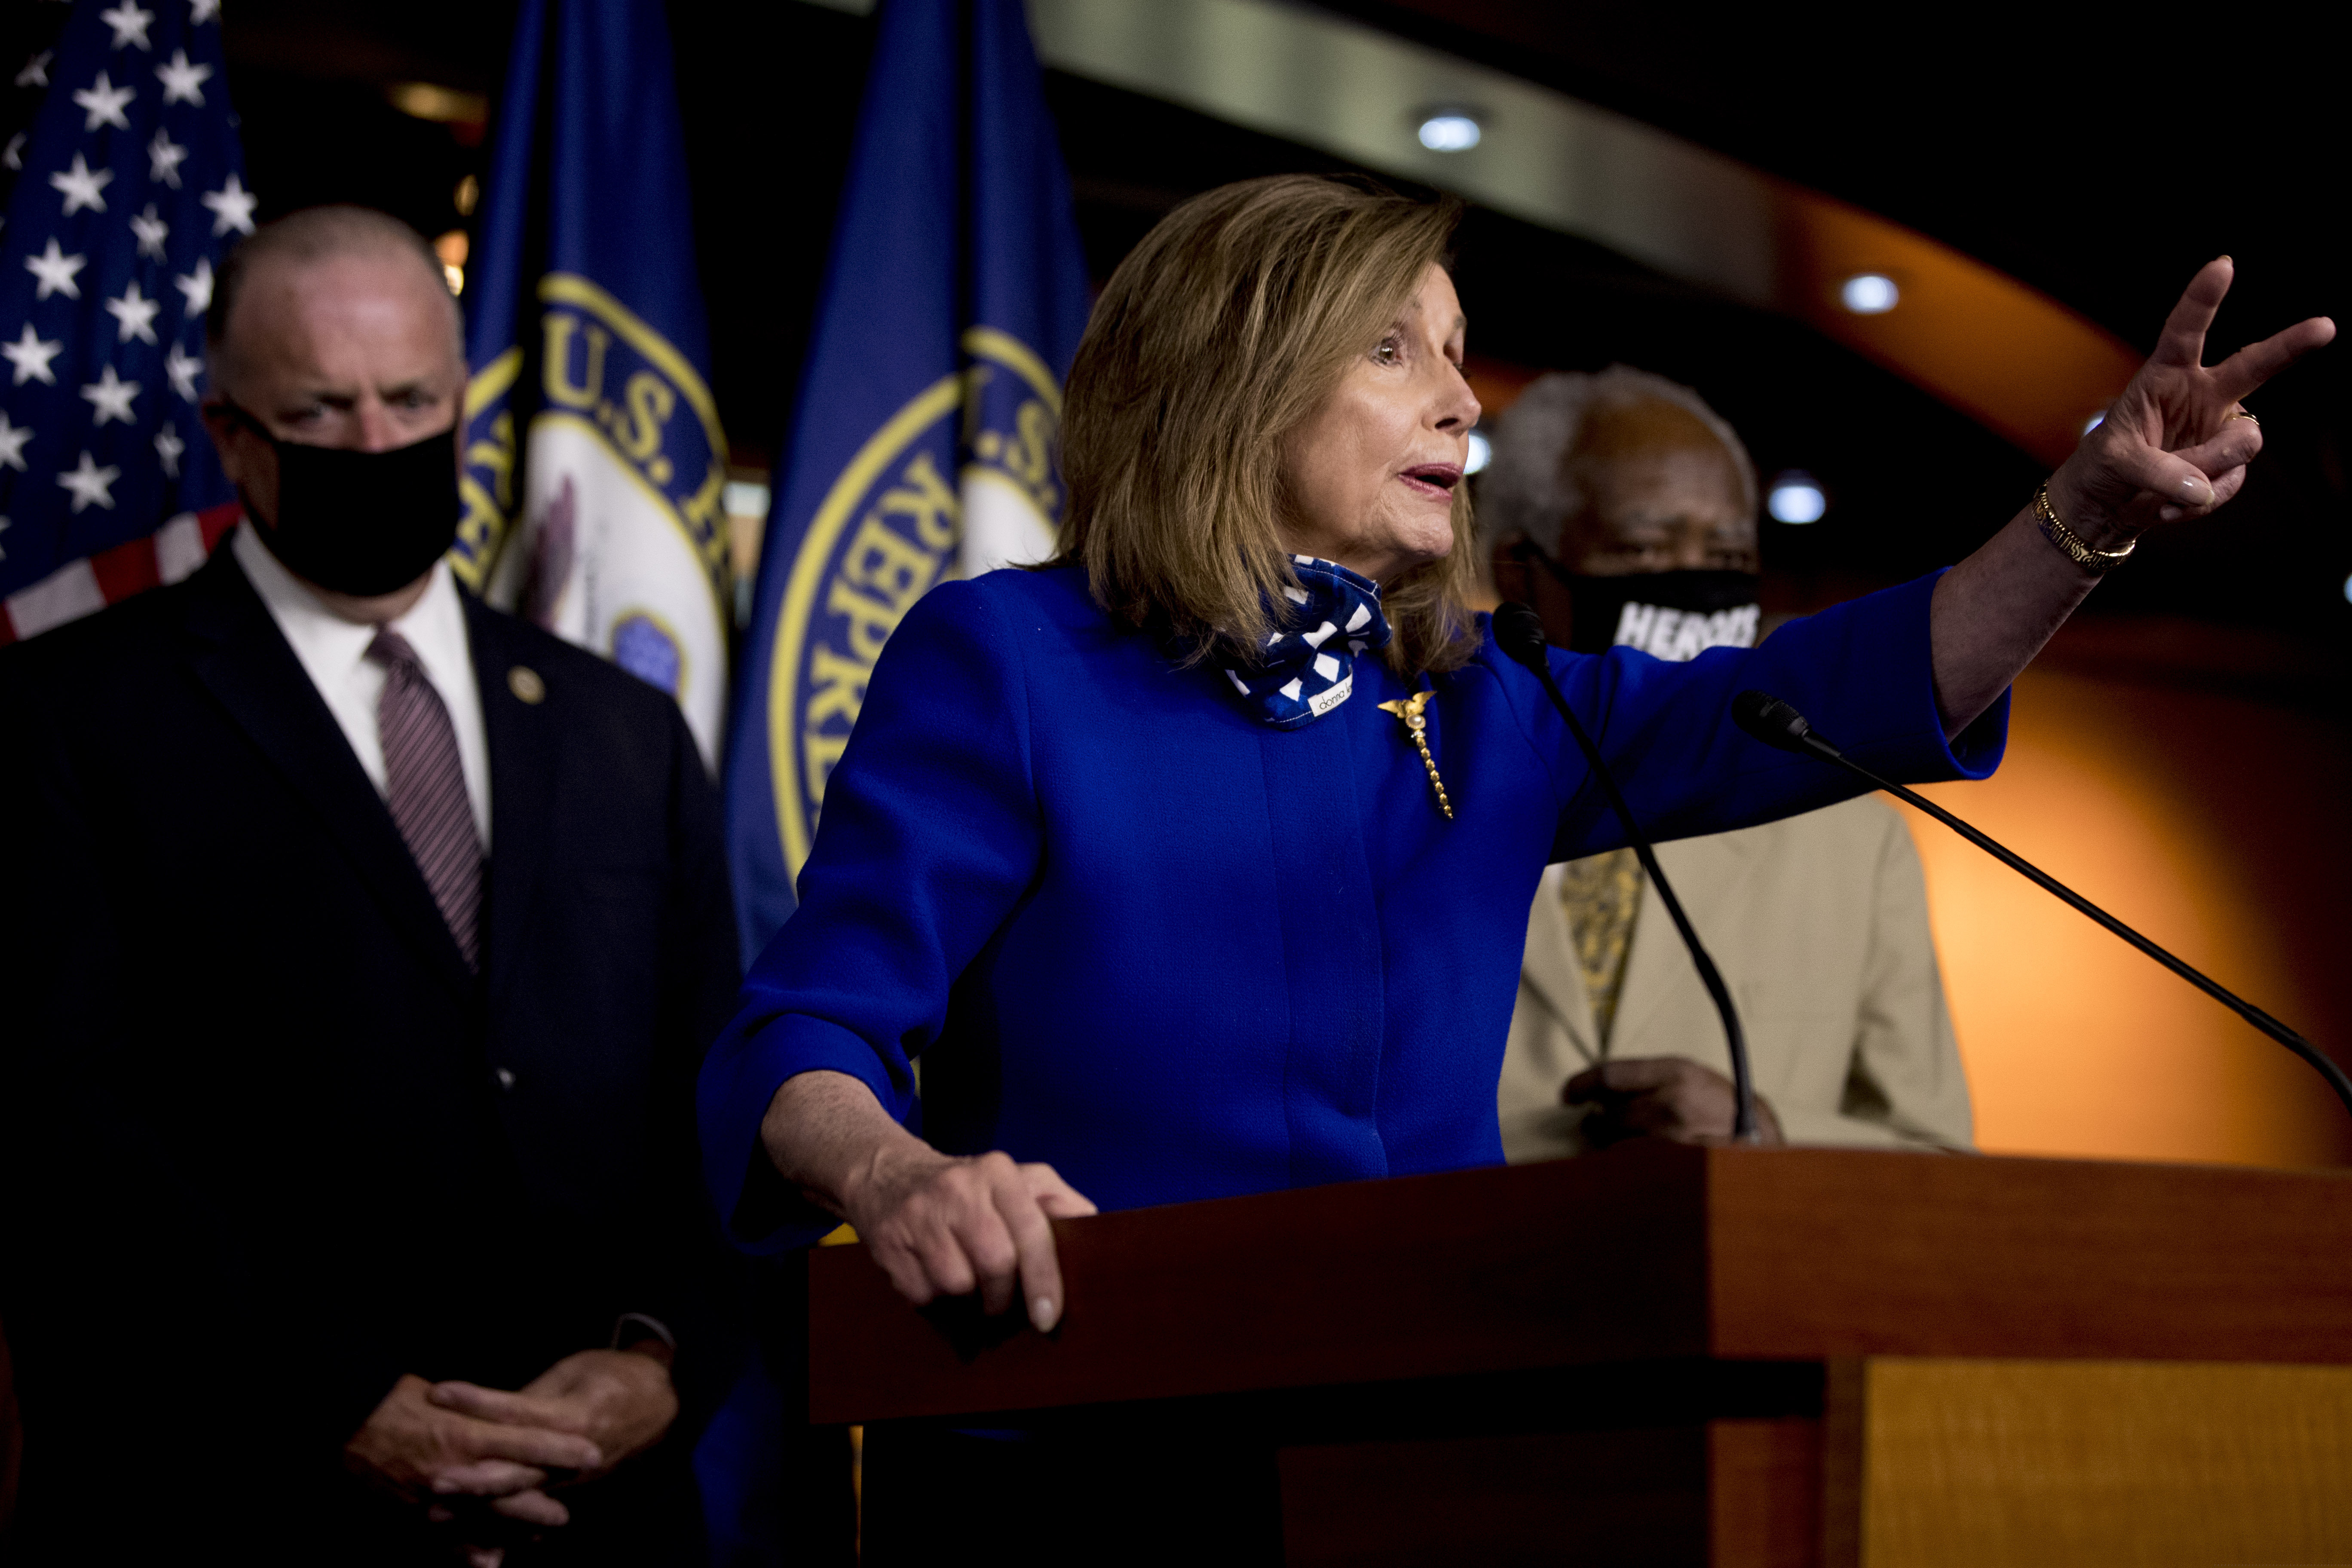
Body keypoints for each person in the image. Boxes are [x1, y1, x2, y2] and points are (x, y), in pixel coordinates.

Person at [694, 175, 2326, 1553]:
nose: (1465, 405)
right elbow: (807, 1027)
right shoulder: (1008, 659)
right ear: (1229, 375)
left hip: (1431, 1463)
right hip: (1074, 1468)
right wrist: (903, 1176)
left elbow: (1862, 685)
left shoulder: (1496, 697)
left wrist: (2087, 508)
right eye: (1397, 348)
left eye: (1460, 356)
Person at [0, 208, 739, 1563]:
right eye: (322, 411)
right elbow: (58, 1129)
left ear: (461, 404)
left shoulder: (621, 731)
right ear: (234, 435)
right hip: (232, 1509)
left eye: (410, 401)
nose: (377, 444)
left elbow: (714, 1096)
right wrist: (336, 1404)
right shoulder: (71, 718)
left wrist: (660, 1358)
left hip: (604, 1524)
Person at [1481, 368, 1972, 1156]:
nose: (1694, 578)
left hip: (1744, 1268)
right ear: (1521, 570)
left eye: (1727, 551)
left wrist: (1767, 1132)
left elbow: (1939, 1159)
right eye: (1644, 545)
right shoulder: (1415, 790)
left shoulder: (1855, 842)